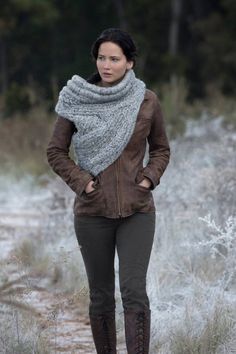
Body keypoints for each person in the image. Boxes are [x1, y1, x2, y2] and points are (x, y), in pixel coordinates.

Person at [47, 28, 170, 354]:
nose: (106, 64)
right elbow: (55, 151)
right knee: (100, 295)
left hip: (137, 211)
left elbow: (160, 149)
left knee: (133, 292)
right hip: (92, 213)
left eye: (114, 58)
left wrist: (147, 179)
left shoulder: (147, 100)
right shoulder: (76, 98)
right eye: (101, 57)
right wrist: (82, 181)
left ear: (129, 62)